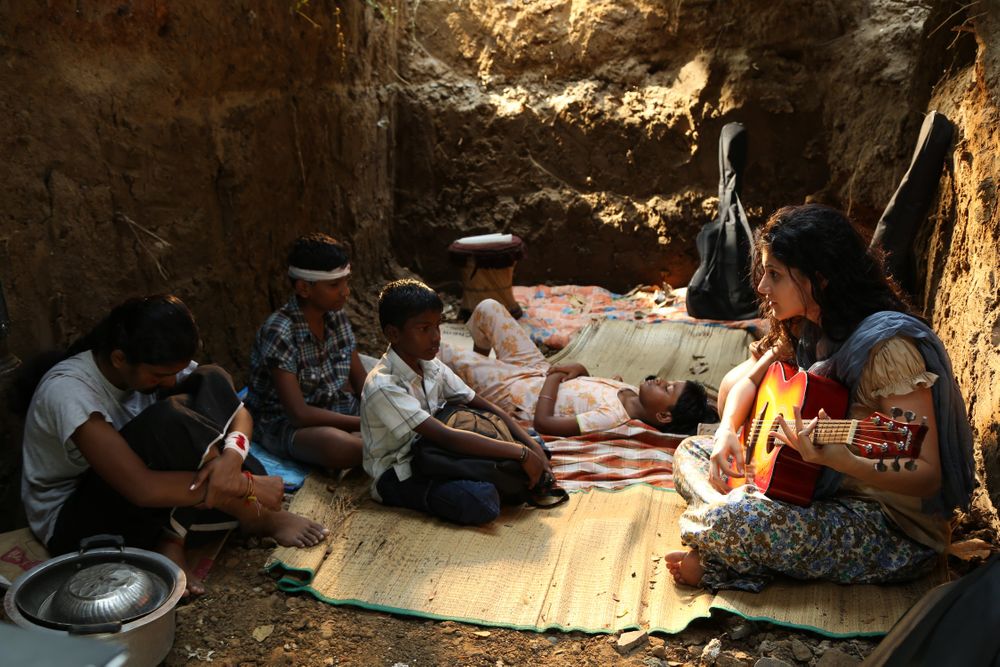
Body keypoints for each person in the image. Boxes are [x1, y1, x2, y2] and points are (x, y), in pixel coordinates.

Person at [665, 204, 976, 592]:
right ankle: (730, 536)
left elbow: (927, 474)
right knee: (691, 452)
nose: (762, 288)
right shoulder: (809, 327)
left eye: (775, 275)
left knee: (738, 519)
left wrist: (841, 459)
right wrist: (728, 429)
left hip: (888, 528)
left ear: (820, 279)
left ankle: (724, 543)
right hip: (815, 491)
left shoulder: (889, 351)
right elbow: (740, 384)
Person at [19, 295, 329, 595]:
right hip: (80, 522)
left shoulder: (152, 366)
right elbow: (142, 488)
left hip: (157, 498)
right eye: (159, 375)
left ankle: (174, 534)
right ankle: (248, 517)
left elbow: (239, 413)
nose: (169, 382)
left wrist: (232, 460)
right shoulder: (69, 392)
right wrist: (244, 486)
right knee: (169, 420)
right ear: (119, 359)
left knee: (210, 377)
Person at [360, 280, 553, 525]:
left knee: (534, 441)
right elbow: (447, 437)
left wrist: (531, 447)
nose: (436, 337)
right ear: (393, 334)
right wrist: (522, 454)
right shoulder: (384, 385)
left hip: (438, 453)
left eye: (437, 326)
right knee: (480, 499)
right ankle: (499, 480)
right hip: (402, 471)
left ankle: (508, 473)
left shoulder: (430, 365)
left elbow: (483, 405)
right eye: (424, 329)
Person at [439, 298, 711, 437]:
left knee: (441, 349)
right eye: (669, 382)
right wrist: (580, 369)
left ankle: (474, 379)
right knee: (488, 308)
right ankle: (473, 377)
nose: (662, 380)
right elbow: (586, 392)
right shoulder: (631, 392)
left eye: (668, 389)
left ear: (663, 416)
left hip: (518, 393)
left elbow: (544, 423)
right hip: (536, 369)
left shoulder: (612, 418)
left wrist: (555, 377)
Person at [245, 233, 366, 470]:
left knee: (398, 398)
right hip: (286, 424)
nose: (346, 292)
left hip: (336, 407)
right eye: (334, 285)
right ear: (303, 288)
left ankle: (379, 446)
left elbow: (361, 381)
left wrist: (380, 409)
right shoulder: (279, 331)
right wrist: (363, 423)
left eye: (346, 282)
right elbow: (298, 414)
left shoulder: (336, 316)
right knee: (338, 446)